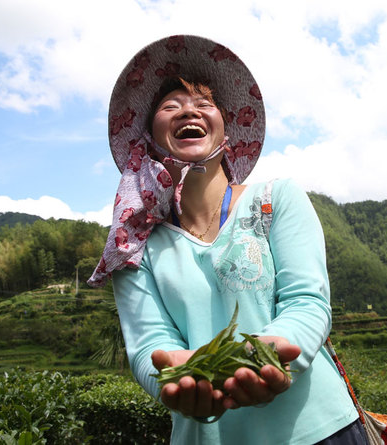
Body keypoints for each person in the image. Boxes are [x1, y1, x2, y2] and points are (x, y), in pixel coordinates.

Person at [88, 35, 364, 444]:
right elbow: (149, 344)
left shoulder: (275, 199)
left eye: (203, 104)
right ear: (148, 138)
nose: (188, 110)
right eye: (170, 107)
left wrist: (271, 353)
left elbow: (307, 302)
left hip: (320, 430)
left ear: (226, 133)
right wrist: (174, 376)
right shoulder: (133, 244)